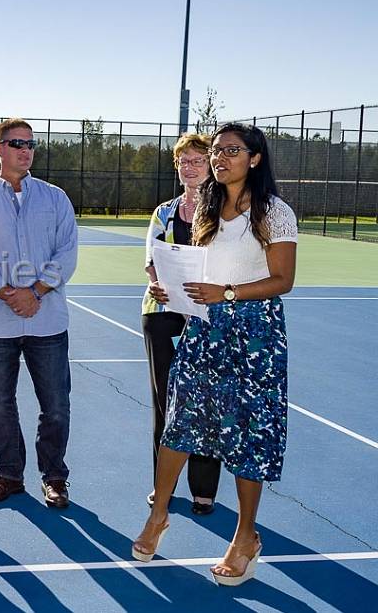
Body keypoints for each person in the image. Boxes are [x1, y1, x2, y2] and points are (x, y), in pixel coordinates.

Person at [132, 123, 298, 587]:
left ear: (255, 159)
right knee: (180, 420)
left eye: (232, 150)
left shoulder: (274, 212)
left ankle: (246, 537)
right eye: (217, 151)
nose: (220, 157)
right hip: (205, 330)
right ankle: (158, 515)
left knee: (248, 435)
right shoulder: (206, 207)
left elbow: (282, 280)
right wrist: (173, 290)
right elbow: (199, 272)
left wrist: (223, 292)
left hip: (255, 336)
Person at [0, 118, 78, 509]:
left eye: (30, 144)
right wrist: (7, 293)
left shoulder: (55, 198)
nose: (25, 150)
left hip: (47, 320)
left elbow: (66, 254)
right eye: (16, 143)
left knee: (56, 405)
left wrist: (35, 292)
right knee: (0, 403)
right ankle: (9, 475)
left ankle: (55, 478)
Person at [141, 133, 221, 515]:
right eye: (182, 162)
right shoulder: (164, 212)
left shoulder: (227, 212)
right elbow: (151, 257)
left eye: (196, 161)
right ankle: (163, 486)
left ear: (211, 165)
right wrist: (157, 283)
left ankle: (203, 490)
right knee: (165, 402)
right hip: (162, 315)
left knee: (206, 401)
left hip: (208, 317)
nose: (188, 168)